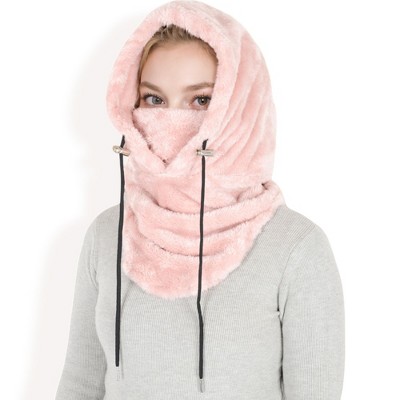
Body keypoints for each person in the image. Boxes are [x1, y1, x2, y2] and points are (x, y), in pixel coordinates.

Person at [55, 1, 345, 399]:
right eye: (154, 100)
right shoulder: (107, 235)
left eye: (201, 101)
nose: (172, 120)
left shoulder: (296, 247)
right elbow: (80, 383)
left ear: (240, 109)